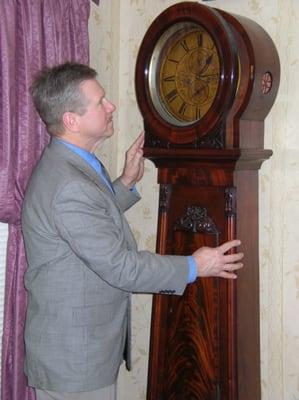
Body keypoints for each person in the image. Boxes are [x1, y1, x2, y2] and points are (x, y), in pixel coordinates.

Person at [21, 62, 243, 400]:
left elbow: (85, 226)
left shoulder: (67, 165)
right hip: (75, 360)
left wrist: (125, 183)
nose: (111, 107)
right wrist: (195, 266)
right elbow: (121, 267)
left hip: (77, 352)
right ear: (71, 120)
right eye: (100, 102)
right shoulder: (69, 185)